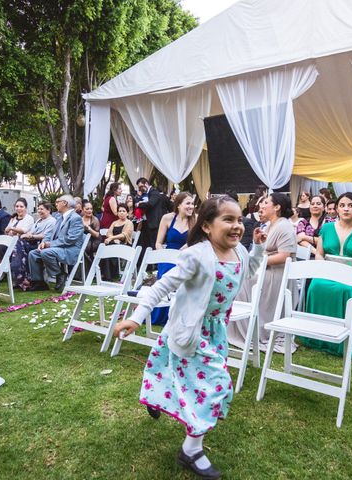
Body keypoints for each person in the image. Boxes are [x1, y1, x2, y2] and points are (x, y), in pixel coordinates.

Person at [113, 196, 267, 480]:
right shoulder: (196, 255)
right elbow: (160, 287)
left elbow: (250, 271)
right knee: (217, 384)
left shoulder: (240, 253)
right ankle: (191, 449)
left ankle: (158, 399)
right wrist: (136, 317)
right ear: (207, 226)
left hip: (216, 331)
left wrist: (257, 247)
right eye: (228, 220)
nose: (237, 226)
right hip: (189, 328)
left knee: (186, 377)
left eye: (238, 220)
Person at [299, 192, 352, 361]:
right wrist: (324, 264)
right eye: (342, 205)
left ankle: (344, 339)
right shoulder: (327, 228)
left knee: (347, 290)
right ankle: (319, 336)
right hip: (329, 273)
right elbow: (319, 253)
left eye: (350, 205)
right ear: (337, 209)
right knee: (316, 285)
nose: (346, 209)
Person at [228, 192, 297, 352]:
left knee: (242, 278)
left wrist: (259, 263)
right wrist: (257, 242)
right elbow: (262, 251)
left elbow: (284, 256)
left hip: (278, 274)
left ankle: (253, 327)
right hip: (266, 269)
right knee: (237, 276)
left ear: (277, 207)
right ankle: (240, 325)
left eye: (266, 202)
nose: (261, 206)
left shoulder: (284, 226)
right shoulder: (268, 225)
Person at [150, 192, 196, 325]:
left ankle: (180, 314)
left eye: (192, 203)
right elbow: (158, 243)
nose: (191, 207)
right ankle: (162, 314)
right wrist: (164, 255)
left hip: (187, 258)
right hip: (168, 256)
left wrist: (187, 246)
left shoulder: (196, 219)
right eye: (188, 203)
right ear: (179, 205)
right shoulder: (167, 218)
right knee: (166, 269)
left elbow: (200, 240)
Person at [27, 195, 85, 292]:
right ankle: (39, 283)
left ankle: (59, 274)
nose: (56, 204)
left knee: (46, 252)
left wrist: (50, 244)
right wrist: (44, 242)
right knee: (33, 253)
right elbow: (50, 234)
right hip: (58, 248)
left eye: (58, 202)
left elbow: (71, 239)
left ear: (65, 203)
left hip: (70, 249)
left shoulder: (76, 218)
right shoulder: (59, 217)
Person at [12, 201, 56, 289]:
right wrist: (28, 235)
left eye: (42, 209)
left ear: (48, 210)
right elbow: (31, 232)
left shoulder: (52, 221)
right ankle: (22, 277)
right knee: (17, 245)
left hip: (42, 244)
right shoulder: (39, 220)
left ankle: (21, 276)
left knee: (18, 246)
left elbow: (45, 235)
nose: (39, 211)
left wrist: (31, 236)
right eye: (38, 209)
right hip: (32, 242)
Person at [0, 197, 35, 262]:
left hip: (21, 243)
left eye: (21, 207)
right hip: (9, 240)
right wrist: (9, 231)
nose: (19, 208)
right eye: (17, 206)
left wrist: (12, 228)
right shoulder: (13, 218)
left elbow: (23, 230)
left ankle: (4, 269)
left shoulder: (29, 218)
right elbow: (6, 231)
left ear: (25, 208)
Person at [135, 177, 167, 263]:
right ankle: (148, 265)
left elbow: (151, 204)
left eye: (141, 186)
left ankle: (156, 265)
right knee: (146, 245)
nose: (140, 189)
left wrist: (139, 204)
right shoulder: (147, 193)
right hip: (147, 223)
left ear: (146, 184)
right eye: (139, 188)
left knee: (154, 244)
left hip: (154, 223)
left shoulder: (154, 192)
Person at [101, 204, 135, 281]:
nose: (121, 213)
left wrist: (112, 238)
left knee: (109, 247)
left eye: (123, 211)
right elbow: (109, 232)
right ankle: (107, 274)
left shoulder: (129, 223)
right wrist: (112, 239)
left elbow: (124, 235)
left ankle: (110, 275)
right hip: (113, 243)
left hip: (125, 244)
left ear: (127, 213)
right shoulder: (114, 222)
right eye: (120, 211)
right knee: (106, 247)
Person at [79, 199, 102, 271]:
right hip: (83, 240)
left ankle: (89, 270)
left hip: (94, 241)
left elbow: (97, 235)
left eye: (91, 209)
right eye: (87, 209)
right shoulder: (79, 219)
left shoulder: (95, 220)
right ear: (82, 209)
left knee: (83, 248)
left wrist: (89, 229)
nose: (89, 211)